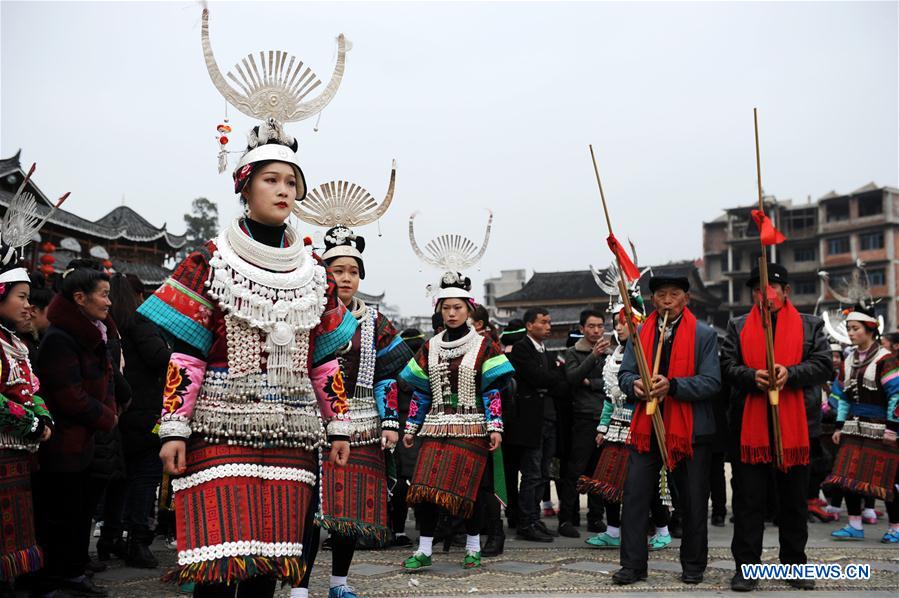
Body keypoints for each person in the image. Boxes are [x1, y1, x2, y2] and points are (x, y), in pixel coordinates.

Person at [293, 171, 412, 598]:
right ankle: (299, 587)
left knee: (349, 510)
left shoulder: (375, 321)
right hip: (311, 421)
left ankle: (339, 583)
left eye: (352, 271)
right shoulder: (304, 313)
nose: (345, 278)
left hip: (362, 424)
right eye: (336, 270)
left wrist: (391, 421)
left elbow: (389, 375)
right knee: (308, 510)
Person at [722, 263, 832, 592]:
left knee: (794, 503)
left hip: (798, 428)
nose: (764, 295)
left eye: (771, 289)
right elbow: (726, 366)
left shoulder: (811, 325)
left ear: (786, 291)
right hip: (750, 429)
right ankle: (746, 568)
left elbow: (824, 365)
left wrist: (791, 373)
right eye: (758, 290)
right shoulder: (738, 325)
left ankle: (795, 565)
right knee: (748, 502)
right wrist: (750, 376)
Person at [400, 270, 514, 571]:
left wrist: (495, 426)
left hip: (472, 426)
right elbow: (421, 391)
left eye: (458, 308)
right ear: (439, 309)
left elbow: (492, 390)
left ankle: (473, 547)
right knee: (424, 489)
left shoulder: (484, 345)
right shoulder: (430, 346)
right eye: (446, 307)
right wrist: (411, 427)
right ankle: (424, 549)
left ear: (468, 310)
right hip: (435, 426)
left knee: (469, 490)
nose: (451, 313)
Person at [613, 275, 721, 586]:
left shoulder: (704, 334)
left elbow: (712, 382)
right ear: (653, 300)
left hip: (690, 430)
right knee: (635, 496)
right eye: (661, 295)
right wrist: (634, 384)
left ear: (687, 299)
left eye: (675, 294)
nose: (668, 300)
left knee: (693, 500)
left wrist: (672, 386)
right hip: (646, 426)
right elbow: (625, 374)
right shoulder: (640, 333)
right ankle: (633, 565)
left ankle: (693, 564)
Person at [33, 260, 118, 597]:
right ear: (80, 298)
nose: (109, 302)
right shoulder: (60, 338)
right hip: (63, 443)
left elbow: (106, 379)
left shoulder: (92, 333)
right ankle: (55, 578)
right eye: (104, 295)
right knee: (61, 515)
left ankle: (72, 572)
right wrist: (107, 417)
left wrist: (109, 409)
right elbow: (69, 396)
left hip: (83, 440)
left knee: (80, 512)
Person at [579, 299, 671, 551]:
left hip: (640, 424)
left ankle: (662, 529)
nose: (618, 328)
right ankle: (612, 530)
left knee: (645, 482)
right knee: (608, 480)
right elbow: (610, 397)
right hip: (615, 427)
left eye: (624, 323)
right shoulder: (615, 355)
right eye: (616, 323)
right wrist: (603, 427)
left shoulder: (650, 353)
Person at [0, 243, 54, 595]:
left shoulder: (14, 343)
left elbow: (31, 389)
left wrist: (43, 418)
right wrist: (32, 424)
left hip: (17, 456)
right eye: (21, 297)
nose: (27, 306)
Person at [107, 273, 171, 568]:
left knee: (120, 480)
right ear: (138, 296)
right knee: (145, 478)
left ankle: (111, 537)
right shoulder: (141, 324)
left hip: (121, 411)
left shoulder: (109, 325)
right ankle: (138, 540)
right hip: (146, 413)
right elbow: (160, 358)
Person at [825, 304, 899, 544]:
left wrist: (892, 428)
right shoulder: (848, 361)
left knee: (887, 481)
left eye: (855, 328)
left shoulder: (885, 359)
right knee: (847, 476)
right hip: (853, 427)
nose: (850, 333)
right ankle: (854, 524)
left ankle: (896, 527)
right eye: (848, 328)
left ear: (870, 330)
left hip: (882, 428)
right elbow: (842, 396)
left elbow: (896, 395)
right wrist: (839, 425)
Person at [506, 307, 568, 542]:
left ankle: (534, 517)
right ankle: (525, 522)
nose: (548, 326)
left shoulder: (545, 351)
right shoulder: (522, 349)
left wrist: (552, 379)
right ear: (529, 325)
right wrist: (554, 378)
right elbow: (539, 377)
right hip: (530, 421)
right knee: (531, 473)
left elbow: (558, 383)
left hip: (548, 418)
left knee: (543, 473)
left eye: (549, 322)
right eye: (543, 322)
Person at [559, 309, 609, 537]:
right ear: (582, 329)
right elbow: (573, 378)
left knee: (600, 470)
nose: (596, 330)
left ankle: (595, 517)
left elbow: (612, 383)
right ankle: (566, 519)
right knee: (576, 469)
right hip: (584, 417)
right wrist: (593, 357)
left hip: (605, 416)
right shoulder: (573, 352)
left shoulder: (612, 353)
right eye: (591, 326)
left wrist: (592, 383)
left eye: (600, 326)